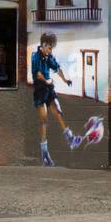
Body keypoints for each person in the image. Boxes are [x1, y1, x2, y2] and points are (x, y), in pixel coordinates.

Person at [32, 33, 79, 166]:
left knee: (58, 112)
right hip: (40, 90)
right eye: (49, 48)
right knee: (44, 120)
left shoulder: (49, 56)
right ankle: (44, 152)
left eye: (51, 48)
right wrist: (45, 80)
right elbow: (37, 73)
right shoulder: (35, 56)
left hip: (49, 89)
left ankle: (70, 138)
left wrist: (65, 80)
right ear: (44, 45)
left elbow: (57, 68)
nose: (51, 50)